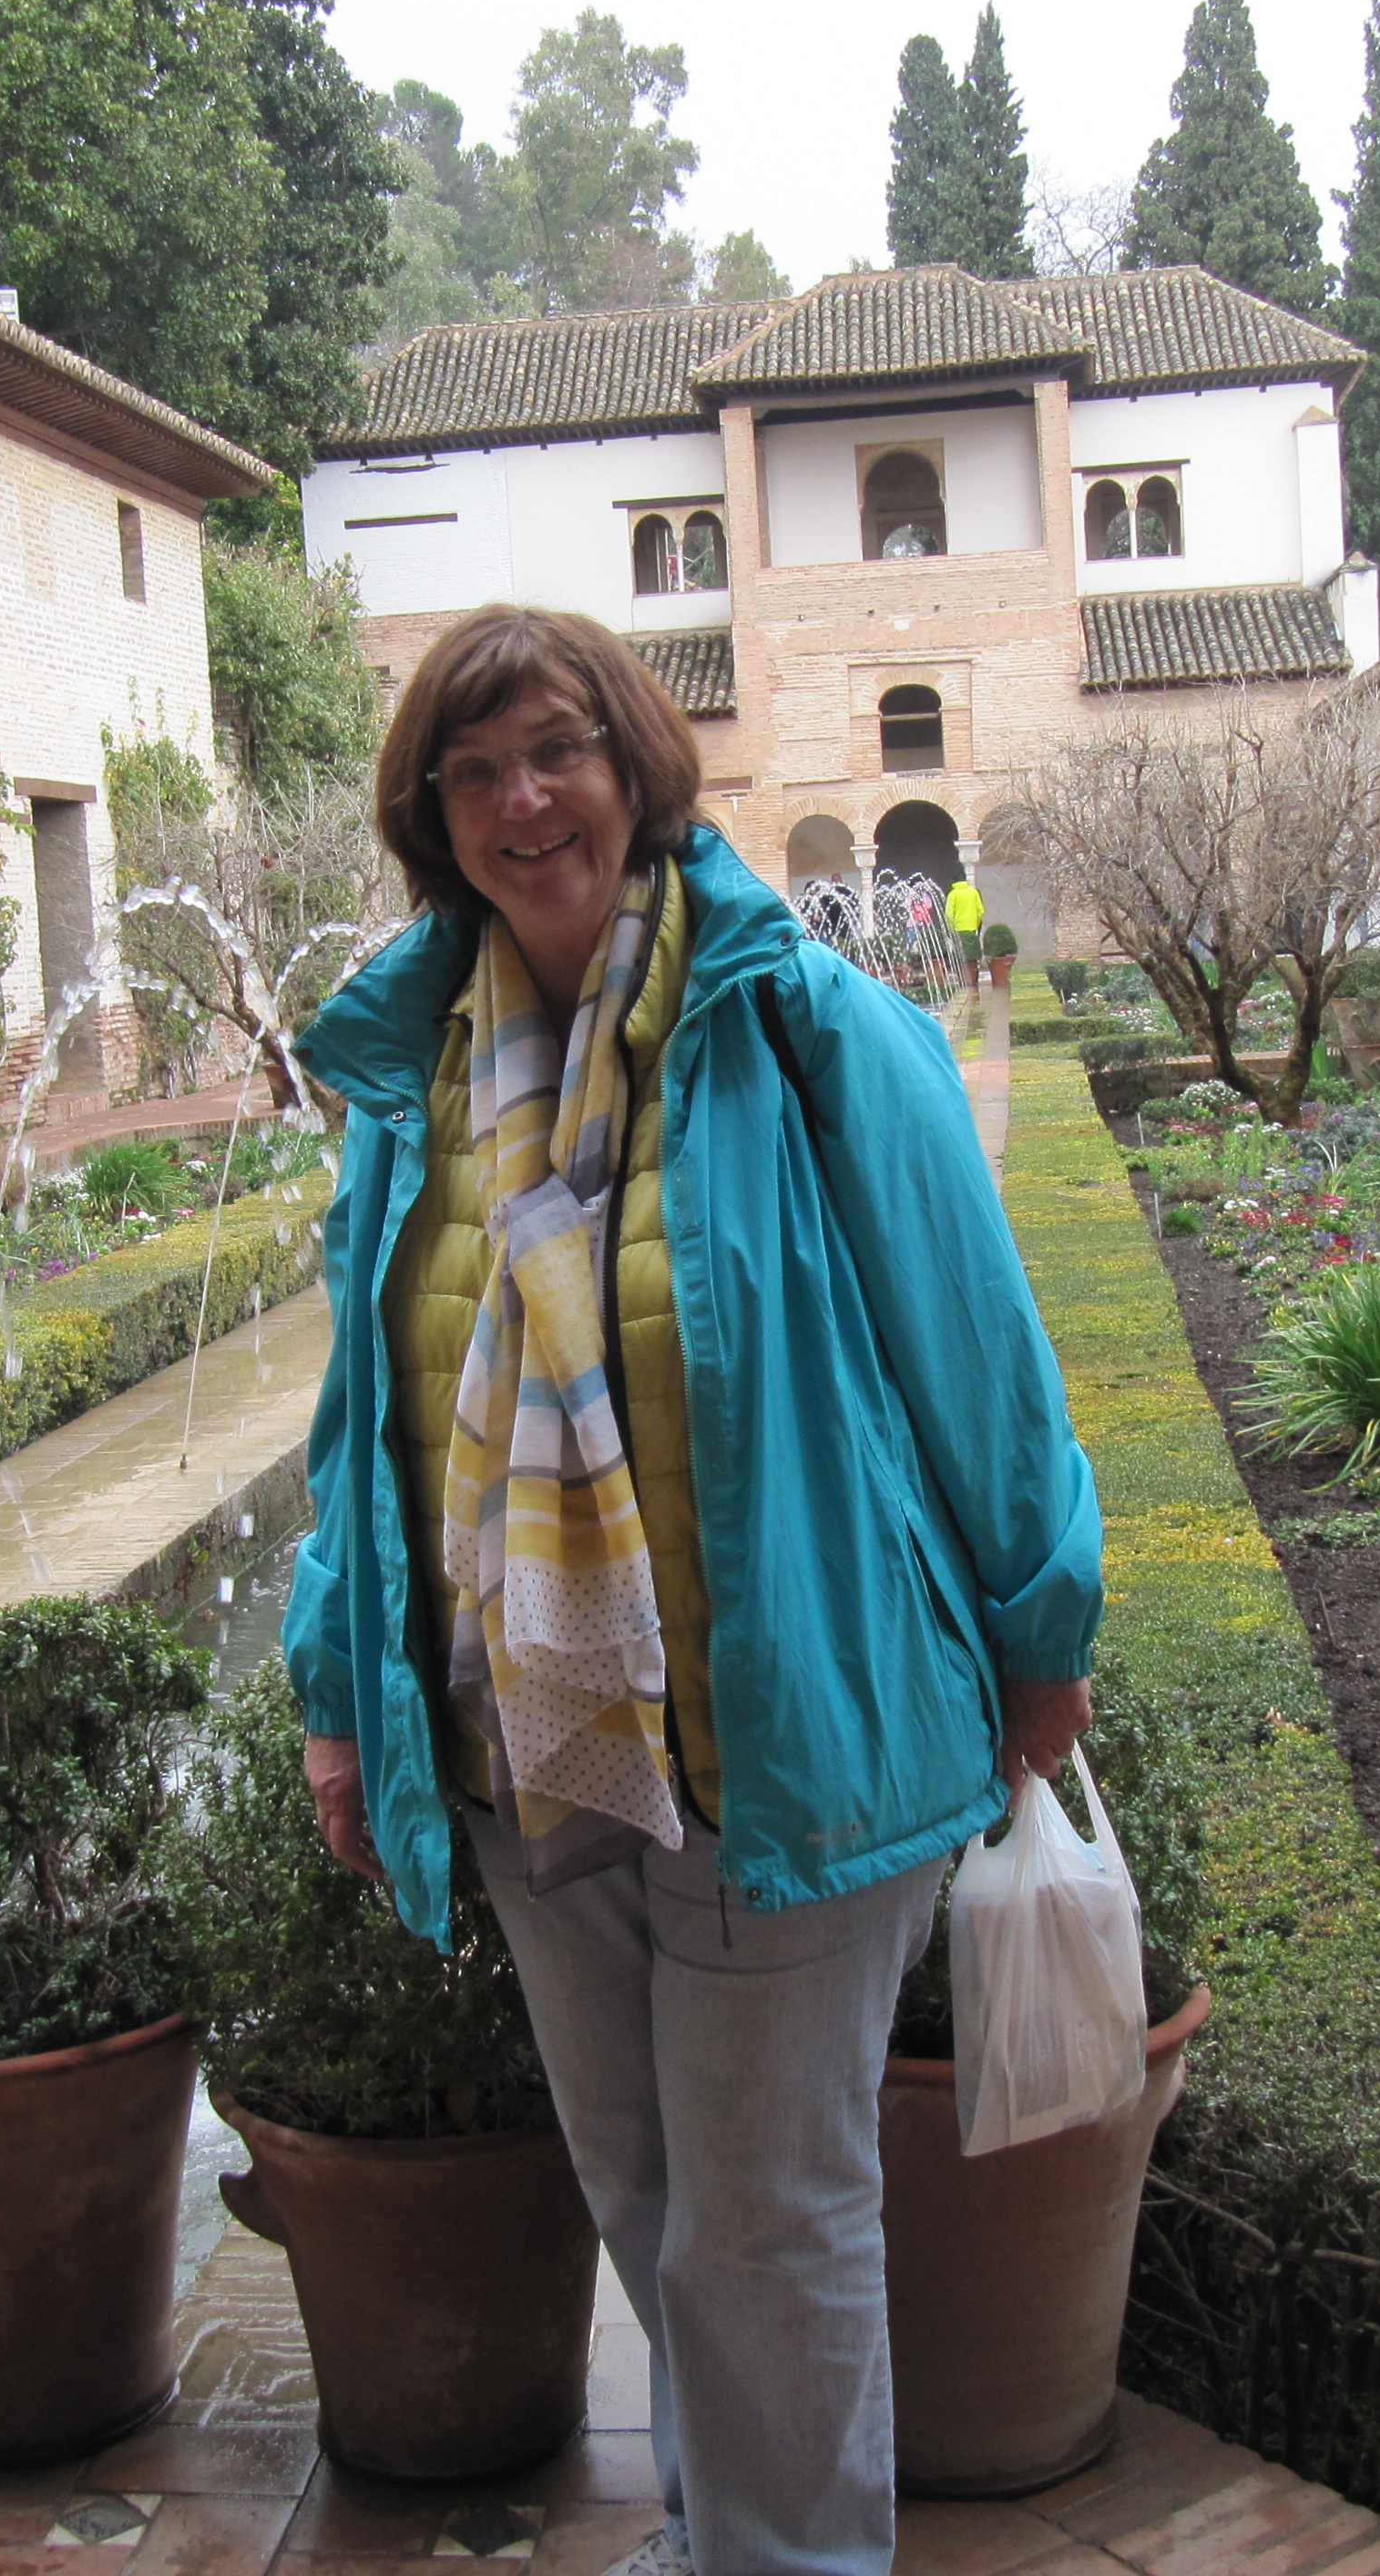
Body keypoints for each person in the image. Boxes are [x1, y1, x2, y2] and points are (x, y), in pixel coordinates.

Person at [283, 603, 1102, 2576]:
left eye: (554, 750)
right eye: (473, 772)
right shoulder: (416, 1076)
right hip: (532, 1734)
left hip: (775, 1727)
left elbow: (979, 1356)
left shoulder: (806, 1027)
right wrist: (335, 1691)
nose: (521, 801)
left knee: (766, 2218)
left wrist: (1039, 1631)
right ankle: (719, 2534)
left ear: (633, 765)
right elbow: (362, 1411)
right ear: (431, 817)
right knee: (645, 2188)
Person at [942, 872, 986, 986]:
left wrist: (952, 928)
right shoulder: (973, 892)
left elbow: (949, 914)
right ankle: (973, 978)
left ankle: (962, 980)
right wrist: (976, 923)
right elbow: (980, 911)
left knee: (960, 956)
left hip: (958, 929)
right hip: (972, 928)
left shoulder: (953, 894)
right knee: (972, 955)